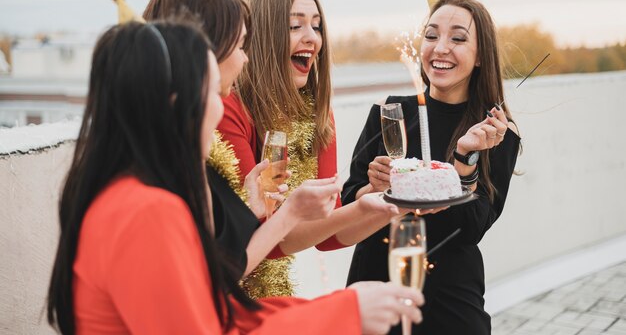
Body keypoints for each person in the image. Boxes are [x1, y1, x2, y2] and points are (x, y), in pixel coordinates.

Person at [46, 20, 424, 334]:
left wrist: (342, 306)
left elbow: (219, 310)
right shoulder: (146, 210)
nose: (222, 104)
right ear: (176, 102)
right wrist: (346, 312)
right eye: (213, 90)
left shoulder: (128, 193)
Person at [219, 0, 414, 298]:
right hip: (226, 288)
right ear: (263, 36)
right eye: (296, 26)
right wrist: (365, 206)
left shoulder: (318, 114)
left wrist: (396, 202)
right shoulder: (228, 110)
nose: (312, 38)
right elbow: (266, 240)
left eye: (317, 26)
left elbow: (327, 235)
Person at [341, 0, 521, 334]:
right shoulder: (389, 113)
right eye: (431, 35)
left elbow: (470, 228)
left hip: (449, 298)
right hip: (377, 284)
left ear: (481, 55)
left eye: (458, 38)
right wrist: (374, 188)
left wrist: (464, 156)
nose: (440, 48)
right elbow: (346, 210)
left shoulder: (495, 133)